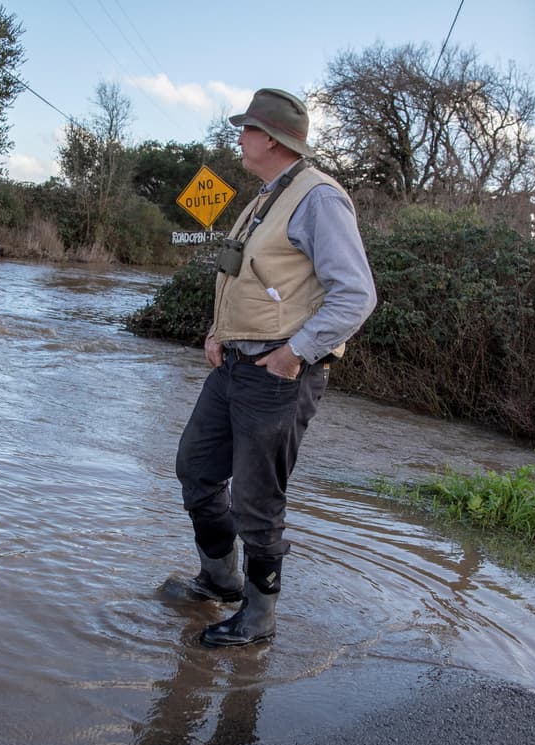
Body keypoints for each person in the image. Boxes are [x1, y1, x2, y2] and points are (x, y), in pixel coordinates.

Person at [175, 88, 377, 647]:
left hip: (279, 372)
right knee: (195, 467)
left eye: (246, 129)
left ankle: (258, 621)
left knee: (256, 500)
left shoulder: (319, 199)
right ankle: (219, 581)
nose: (238, 137)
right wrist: (218, 333)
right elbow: (248, 278)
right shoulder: (264, 197)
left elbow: (356, 295)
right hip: (235, 363)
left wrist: (296, 353)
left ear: (269, 138)